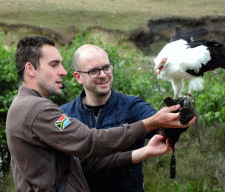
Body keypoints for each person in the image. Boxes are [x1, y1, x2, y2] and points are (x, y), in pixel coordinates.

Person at [6, 36, 196, 192]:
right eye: (54, 64)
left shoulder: (37, 110)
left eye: (106, 67)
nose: (62, 72)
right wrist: (148, 124)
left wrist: (146, 148)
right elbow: (89, 141)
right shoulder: (44, 112)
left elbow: (82, 163)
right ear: (30, 69)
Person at [60, 44, 194, 191]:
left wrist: (180, 115)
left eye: (106, 67)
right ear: (78, 77)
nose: (103, 74)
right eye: (94, 71)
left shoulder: (133, 105)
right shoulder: (63, 115)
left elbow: (162, 127)